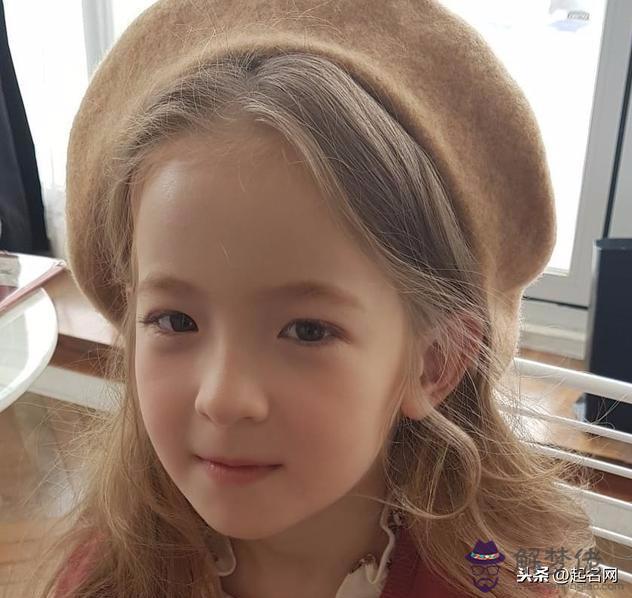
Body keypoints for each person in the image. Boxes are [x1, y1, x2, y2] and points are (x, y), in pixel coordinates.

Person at [26, 1, 599, 597]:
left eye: (307, 330)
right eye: (175, 320)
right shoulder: (105, 577)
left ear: (434, 363)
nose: (223, 398)